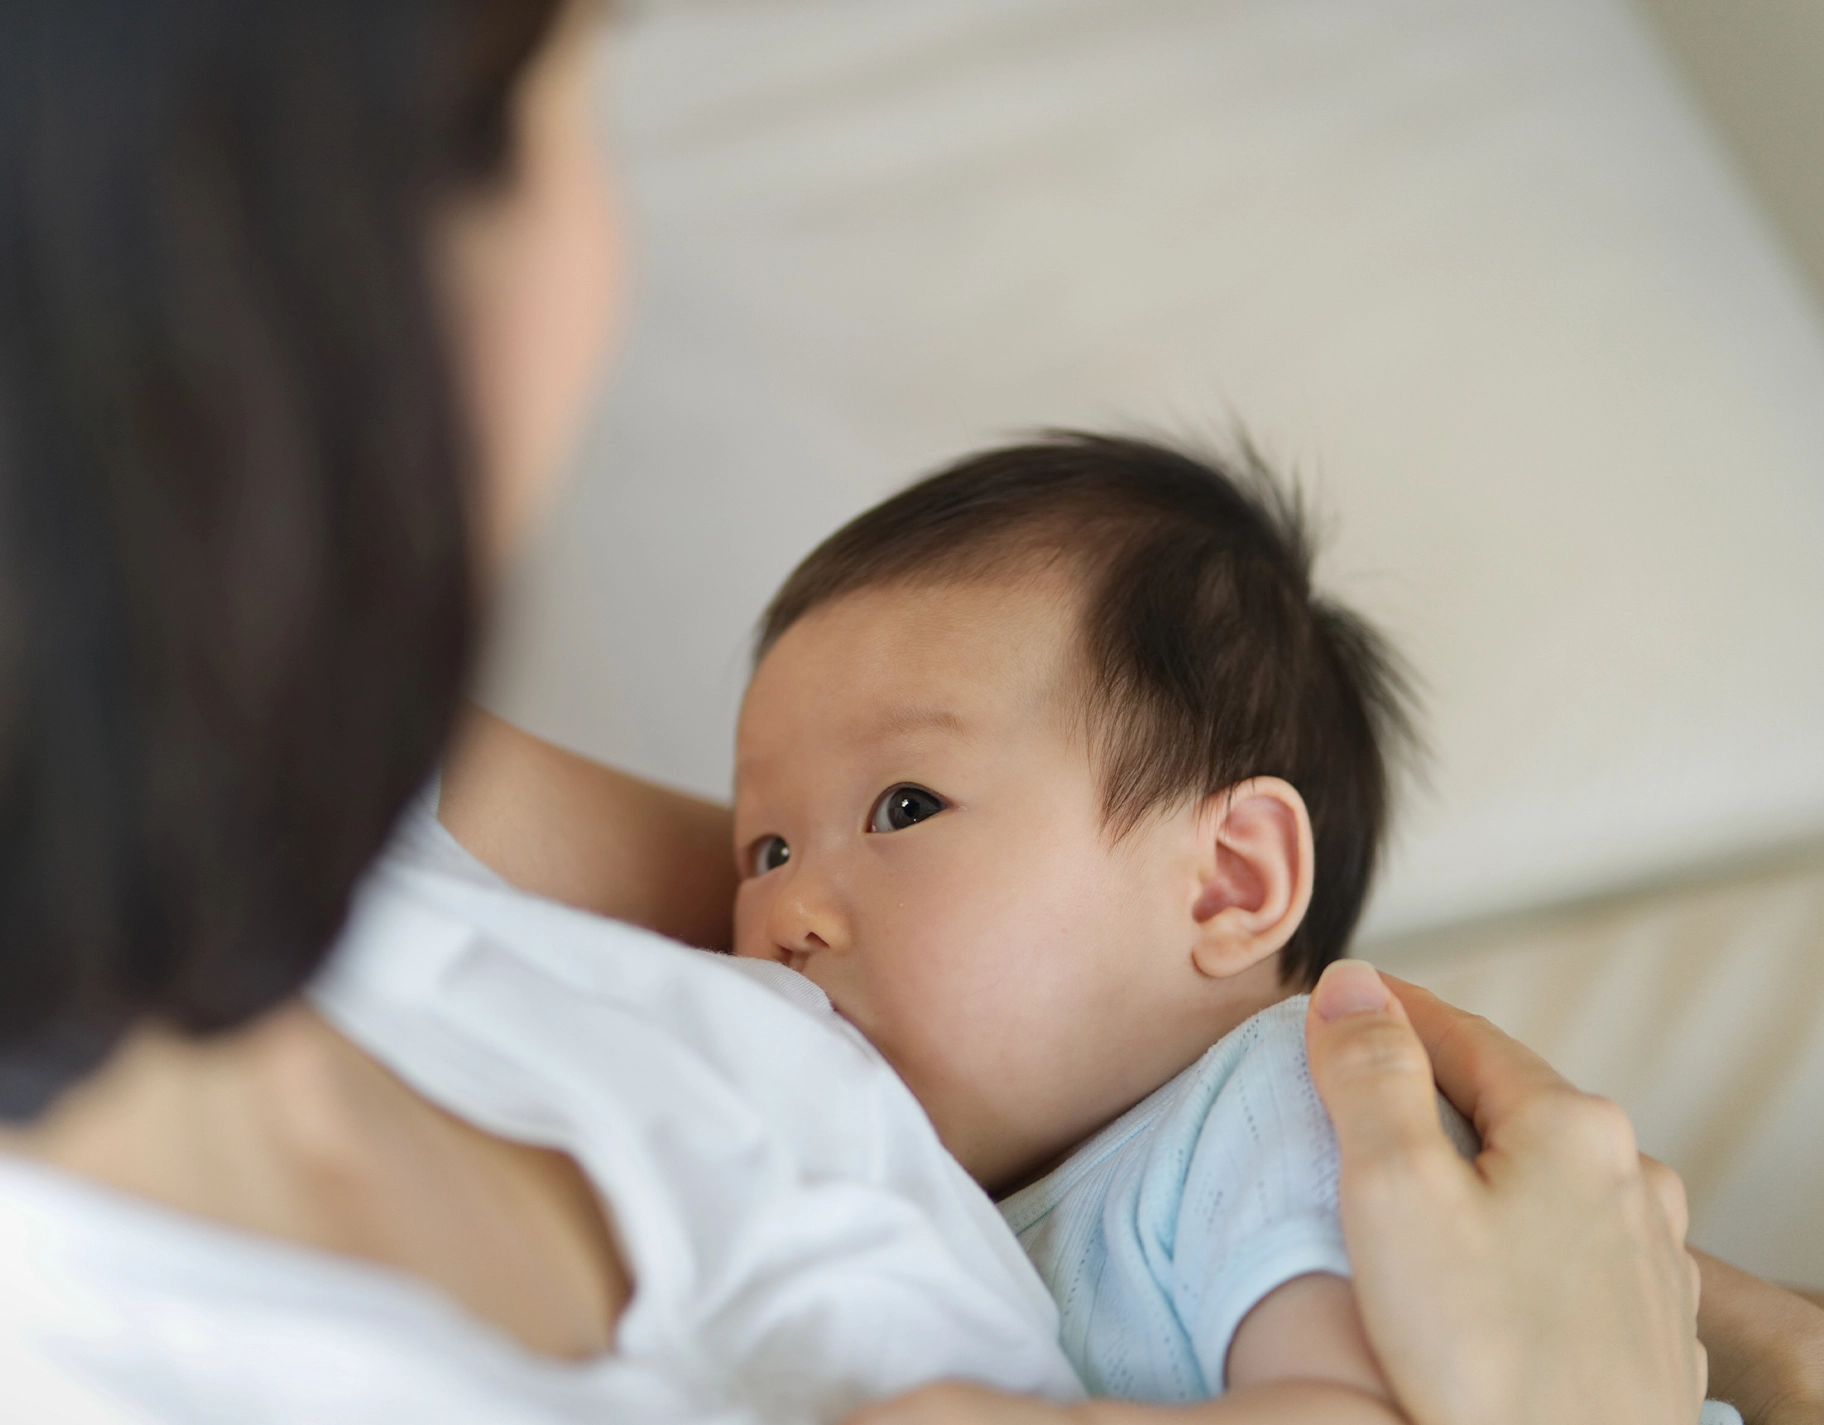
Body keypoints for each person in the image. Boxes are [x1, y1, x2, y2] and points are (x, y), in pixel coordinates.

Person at [0, 0, 1811, 1420]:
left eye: (900, 814)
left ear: (1229, 879)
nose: (774, 902)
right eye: (768, 840)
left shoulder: (1267, 1128)